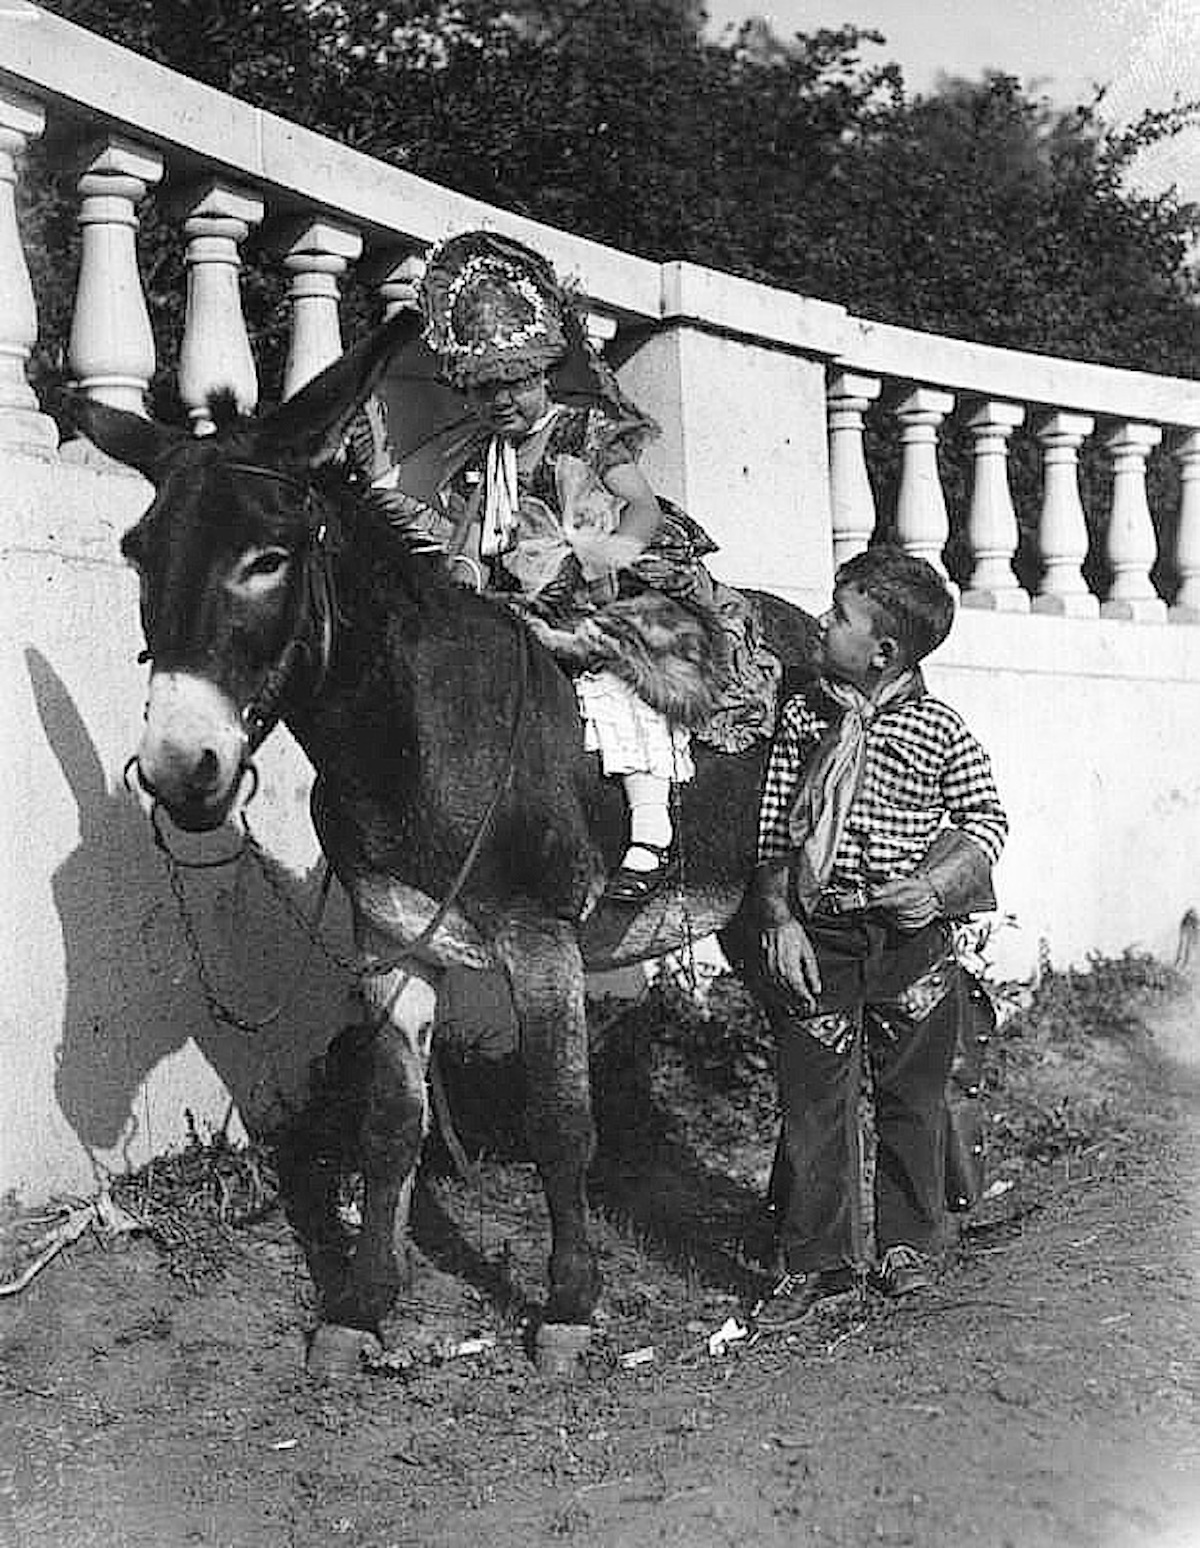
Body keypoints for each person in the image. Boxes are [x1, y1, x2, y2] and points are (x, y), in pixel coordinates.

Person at [384, 230, 780, 903]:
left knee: (619, 672)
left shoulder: (585, 433)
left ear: (543, 372)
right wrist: (462, 578)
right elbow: (472, 534)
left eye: (512, 385)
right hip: (526, 595)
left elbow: (642, 511)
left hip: (608, 583)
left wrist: (600, 557)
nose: (500, 402)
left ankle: (650, 828)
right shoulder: (486, 457)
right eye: (482, 392)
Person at [743, 545, 1008, 1328]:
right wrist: (781, 920)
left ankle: (907, 1247)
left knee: (911, 1097)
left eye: (839, 616)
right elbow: (772, 834)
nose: (823, 624)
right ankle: (815, 1261)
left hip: (906, 942)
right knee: (813, 1102)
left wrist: (934, 890)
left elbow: (986, 820)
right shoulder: (805, 716)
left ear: (883, 651)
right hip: (821, 934)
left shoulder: (938, 729)